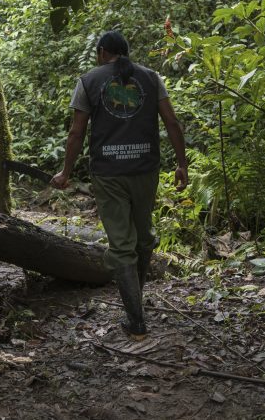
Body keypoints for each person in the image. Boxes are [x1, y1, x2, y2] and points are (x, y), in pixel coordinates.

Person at [51, 30, 188, 340]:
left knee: (123, 246)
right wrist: (182, 164)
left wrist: (65, 172)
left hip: (108, 173)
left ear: (102, 52)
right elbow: (171, 122)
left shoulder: (88, 81)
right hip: (145, 170)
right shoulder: (151, 78)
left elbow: (76, 132)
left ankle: (136, 321)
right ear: (126, 52)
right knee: (143, 237)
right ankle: (136, 301)